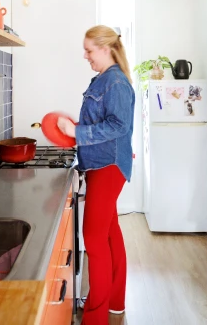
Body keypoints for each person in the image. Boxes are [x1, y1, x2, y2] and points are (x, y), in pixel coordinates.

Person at [57, 25, 135, 325]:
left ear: (106, 48)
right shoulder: (104, 80)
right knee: (109, 234)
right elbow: (106, 124)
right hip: (103, 165)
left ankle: (95, 317)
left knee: (94, 240)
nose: (86, 56)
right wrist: (76, 129)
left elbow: (118, 126)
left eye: (89, 50)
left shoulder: (114, 82)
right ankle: (114, 304)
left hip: (107, 167)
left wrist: (77, 131)